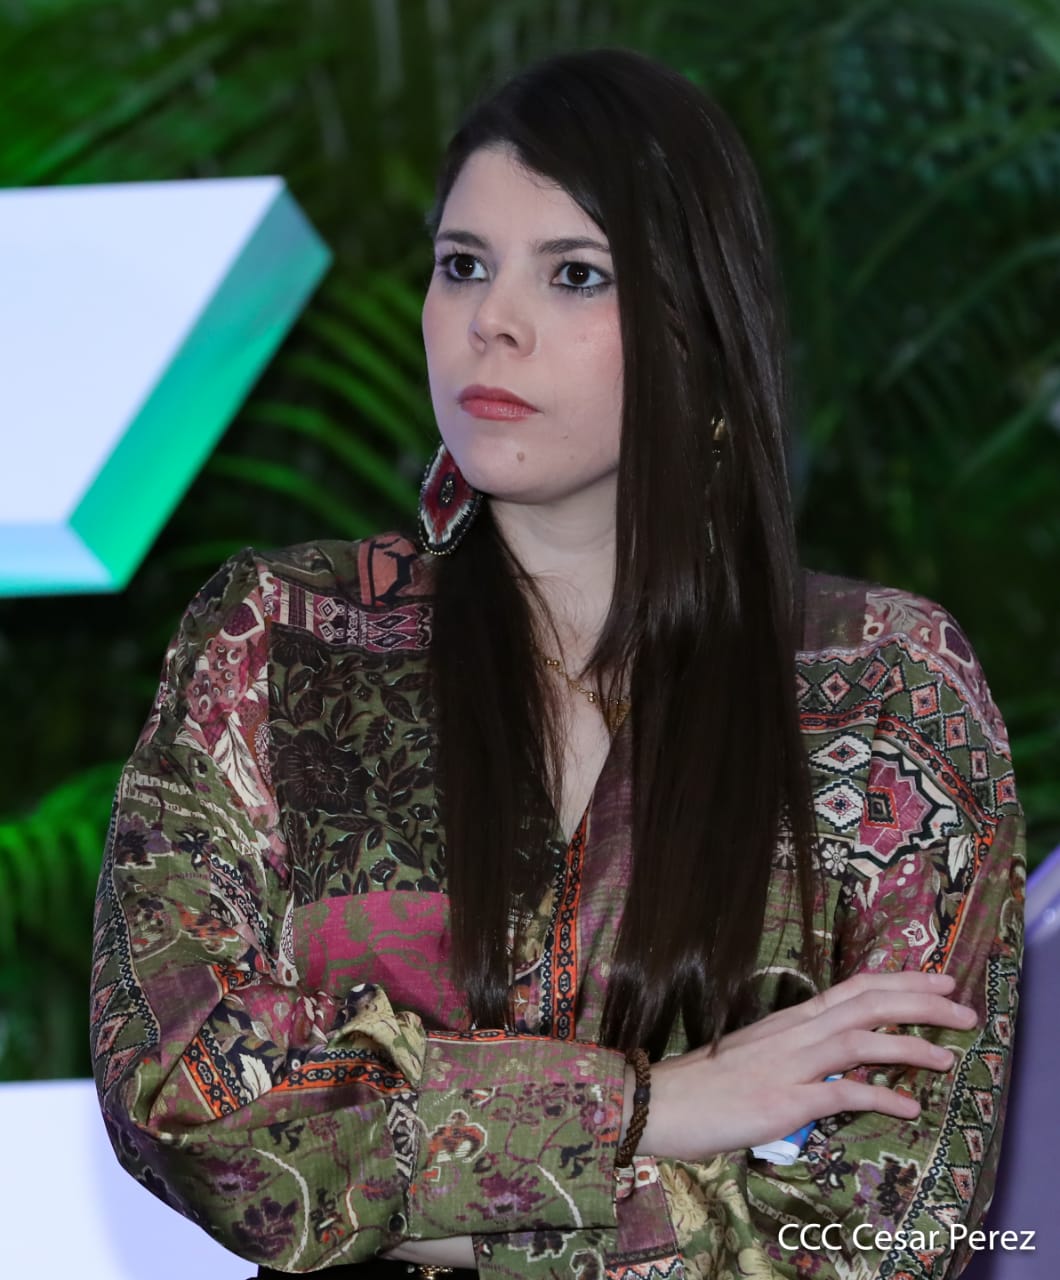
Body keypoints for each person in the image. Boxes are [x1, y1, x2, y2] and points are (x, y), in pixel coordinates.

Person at [89, 45, 1025, 1280]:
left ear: (697, 329)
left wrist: (399, 1196)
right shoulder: (277, 638)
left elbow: (882, 1228)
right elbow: (182, 1091)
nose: (492, 319)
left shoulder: (888, 688)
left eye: (575, 273)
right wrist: (653, 1107)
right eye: (462, 265)